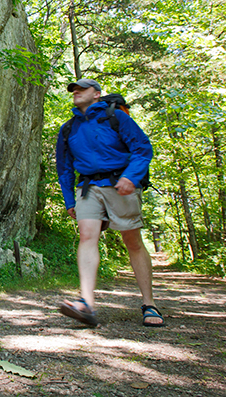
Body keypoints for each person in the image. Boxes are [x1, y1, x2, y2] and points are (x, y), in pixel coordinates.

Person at [55, 78, 164, 328]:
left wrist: (131, 177)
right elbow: (64, 168)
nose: (76, 92)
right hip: (88, 188)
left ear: (97, 94)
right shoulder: (69, 128)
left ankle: (150, 304)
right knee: (87, 236)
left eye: (82, 88)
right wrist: (69, 200)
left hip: (120, 184)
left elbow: (142, 148)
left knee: (132, 241)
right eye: (74, 90)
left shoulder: (117, 118)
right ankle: (86, 303)